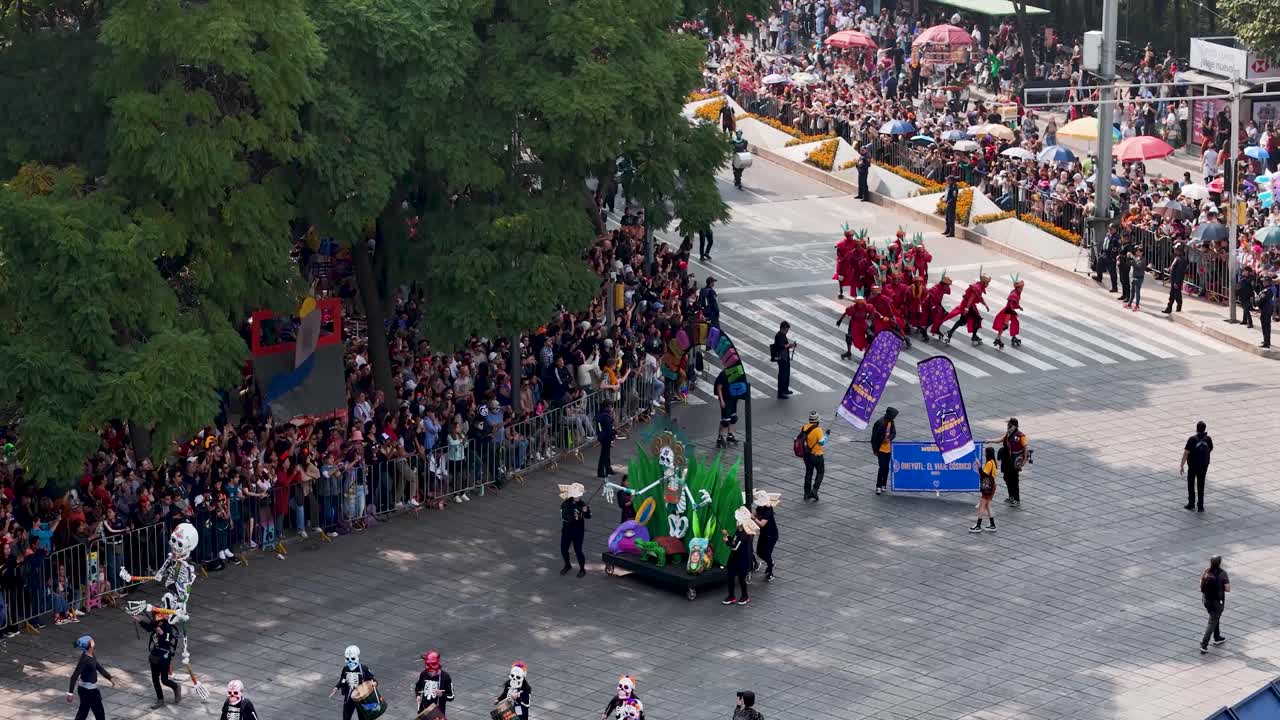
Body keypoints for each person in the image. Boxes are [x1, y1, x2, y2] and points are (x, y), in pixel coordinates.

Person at [136, 611, 181, 707]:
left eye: (157, 615)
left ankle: (176, 687)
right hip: (155, 654)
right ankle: (160, 699)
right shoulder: (155, 622)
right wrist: (139, 620)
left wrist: (161, 633)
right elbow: (148, 628)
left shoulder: (167, 626)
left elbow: (167, 641)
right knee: (155, 679)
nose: (156, 618)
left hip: (164, 654)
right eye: (155, 616)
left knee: (164, 680)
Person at [67, 635, 114, 720]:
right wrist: (70, 693)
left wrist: (110, 677)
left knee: (83, 712)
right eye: (91, 640)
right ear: (91, 644)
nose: (92, 640)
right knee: (99, 713)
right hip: (88, 691)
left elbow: (98, 666)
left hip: (87, 689)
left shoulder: (91, 653)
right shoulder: (85, 660)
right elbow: (74, 676)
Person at [721, 507, 757, 605]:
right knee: (730, 576)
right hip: (734, 559)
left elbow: (734, 547)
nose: (736, 521)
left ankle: (745, 596)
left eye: (737, 520)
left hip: (743, 560)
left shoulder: (744, 535)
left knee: (741, 578)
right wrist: (728, 536)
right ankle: (731, 596)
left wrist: (727, 541)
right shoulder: (738, 531)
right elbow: (734, 541)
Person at [329, 645, 375, 720]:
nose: (350, 661)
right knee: (346, 716)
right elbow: (342, 678)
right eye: (347, 659)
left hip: (361, 697)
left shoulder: (363, 668)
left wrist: (373, 684)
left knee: (362, 717)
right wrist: (337, 687)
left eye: (353, 659)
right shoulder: (346, 668)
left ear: (357, 658)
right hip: (348, 697)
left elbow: (372, 679)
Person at [992, 418, 1029, 507]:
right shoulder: (1008, 434)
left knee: (1014, 480)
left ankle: (1016, 499)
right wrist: (990, 440)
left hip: (1014, 461)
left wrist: (1024, 461)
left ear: (1014, 426)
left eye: (1010, 425)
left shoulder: (1021, 436)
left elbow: (1026, 448)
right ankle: (1011, 496)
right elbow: (1001, 439)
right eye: (1008, 424)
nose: (1008, 426)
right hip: (1007, 460)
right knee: (1006, 478)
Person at [558, 482, 591, 577]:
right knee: (564, 549)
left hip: (578, 531)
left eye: (580, 495)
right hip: (567, 531)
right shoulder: (565, 504)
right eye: (577, 495)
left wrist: (586, 511)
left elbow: (588, 516)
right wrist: (578, 515)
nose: (579, 497)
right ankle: (567, 565)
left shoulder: (582, 504)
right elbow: (565, 517)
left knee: (578, 551)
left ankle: (582, 569)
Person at [1199, 555, 1230, 654]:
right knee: (1212, 622)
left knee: (1214, 617)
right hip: (1217, 602)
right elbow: (1227, 589)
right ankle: (1204, 644)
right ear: (1220, 562)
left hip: (1206, 601)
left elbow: (1201, 584)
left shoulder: (1207, 571)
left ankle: (1217, 637)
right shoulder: (1223, 573)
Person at [1181, 420, 1213, 512]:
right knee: (1201, 484)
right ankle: (1200, 506)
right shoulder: (1208, 439)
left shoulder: (1192, 439)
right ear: (1204, 429)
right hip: (1204, 465)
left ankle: (1191, 503)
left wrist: (1182, 465)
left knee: (1191, 484)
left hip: (1193, 466)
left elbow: (1186, 453)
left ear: (1196, 429)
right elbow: (1210, 449)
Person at [413, 651, 455, 717]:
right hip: (423, 711)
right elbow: (418, 686)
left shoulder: (445, 677)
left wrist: (442, 695)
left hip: (437, 713)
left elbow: (451, 696)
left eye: (432, 671)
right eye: (429, 672)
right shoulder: (424, 674)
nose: (430, 674)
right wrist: (418, 695)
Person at [751, 489, 780, 581]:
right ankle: (770, 562)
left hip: (771, 535)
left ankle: (770, 571)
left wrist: (753, 518)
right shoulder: (760, 507)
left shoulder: (768, 510)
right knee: (759, 552)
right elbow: (753, 513)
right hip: (764, 534)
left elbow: (762, 524)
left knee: (767, 554)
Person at [798, 412, 826, 501]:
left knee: (809, 472)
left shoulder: (804, 427)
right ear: (817, 420)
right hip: (817, 455)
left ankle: (806, 493)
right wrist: (827, 435)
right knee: (820, 472)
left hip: (807, 454)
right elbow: (822, 442)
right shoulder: (818, 429)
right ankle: (814, 490)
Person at [869, 407, 898, 495]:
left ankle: (883, 484)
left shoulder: (891, 422)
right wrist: (875, 449)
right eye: (893, 416)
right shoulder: (879, 423)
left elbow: (894, 433)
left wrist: (889, 438)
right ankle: (878, 486)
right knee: (882, 467)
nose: (894, 418)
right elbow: (874, 437)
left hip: (888, 449)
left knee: (886, 468)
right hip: (880, 449)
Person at [970, 446, 998, 533]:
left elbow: (983, 475)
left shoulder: (989, 463)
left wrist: (978, 466)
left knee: (982, 506)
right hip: (992, 486)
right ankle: (992, 525)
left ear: (988, 454)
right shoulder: (993, 462)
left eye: (985, 452)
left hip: (988, 487)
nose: (984, 453)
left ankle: (978, 526)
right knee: (987, 506)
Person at [714, 369, 739, 448]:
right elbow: (719, 387)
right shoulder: (724, 374)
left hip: (732, 399)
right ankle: (719, 437)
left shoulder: (736, 371)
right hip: (725, 399)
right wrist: (721, 400)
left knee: (733, 418)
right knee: (725, 420)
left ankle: (730, 436)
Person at [770, 321, 795, 398]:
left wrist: (791, 345)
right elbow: (780, 346)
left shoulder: (783, 335)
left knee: (786, 374)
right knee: (782, 376)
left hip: (785, 357)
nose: (787, 332)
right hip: (782, 359)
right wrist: (788, 345)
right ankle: (780, 393)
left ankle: (785, 390)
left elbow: (784, 346)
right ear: (782, 328)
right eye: (786, 330)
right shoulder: (779, 336)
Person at [1163, 243, 1188, 314]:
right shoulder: (1177, 258)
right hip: (1173, 279)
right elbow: (1174, 267)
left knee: (1177, 295)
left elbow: (1180, 272)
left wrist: (1177, 282)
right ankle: (1169, 308)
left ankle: (1178, 308)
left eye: (1176, 249)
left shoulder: (1182, 260)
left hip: (1177, 281)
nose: (1174, 250)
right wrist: (1170, 269)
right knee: (1172, 295)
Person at [595, 401, 615, 478]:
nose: (612, 408)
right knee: (604, 455)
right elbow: (609, 430)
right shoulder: (606, 417)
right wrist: (615, 432)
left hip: (602, 436)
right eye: (611, 407)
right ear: (607, 407)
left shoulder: (601, 415)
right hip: (606, 437)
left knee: (606, 454)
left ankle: (608, 469)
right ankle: (600, 472)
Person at [1255, 274, 1276, 348]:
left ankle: (1266, 343)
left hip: (1266, 309)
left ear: (1268, 282)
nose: (1263, 282)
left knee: (1265, 326)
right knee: (1267, 326)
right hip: (1269, 308)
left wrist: (1256, 299)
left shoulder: (1267, 290)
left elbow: (1260, 300)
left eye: (1264, 281)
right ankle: (1267, 341)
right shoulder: (1273, 288)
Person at [1126, 245, 1148, 311]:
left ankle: (1137, 305)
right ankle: (1129, 303)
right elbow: (1129, 264)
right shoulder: (1136, 258)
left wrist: (1132, 258)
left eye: (1140, 251)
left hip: (1139, 278)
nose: (1138, 252)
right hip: (1134, 276)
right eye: (1137, 251)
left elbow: (1138, 267)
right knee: (1132, 291)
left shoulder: (1143, 260)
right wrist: (1128, 258)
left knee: (1137, 292)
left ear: (1142, 252)